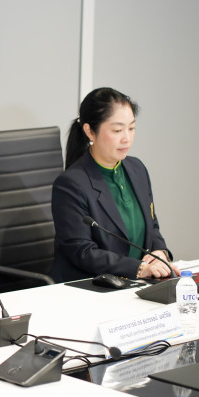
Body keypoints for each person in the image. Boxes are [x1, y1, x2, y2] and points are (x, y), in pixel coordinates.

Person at [51, 87, 179, 282]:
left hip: (136, 283)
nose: (126, 138)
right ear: (90, 131)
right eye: (117, 130)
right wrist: (139, 268)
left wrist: (160, 253)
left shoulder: (137, 169)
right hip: (91, 286)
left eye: (132, 128)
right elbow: (83, 251)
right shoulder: (71, 184)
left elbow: (151, 227)